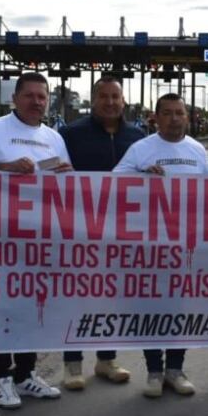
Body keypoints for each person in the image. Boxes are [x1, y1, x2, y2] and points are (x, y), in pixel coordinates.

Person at [0, 72, 72, 409]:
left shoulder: (54, 137)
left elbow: (64, 182)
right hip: (0, 237)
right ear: (15, 98)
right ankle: (1, 379)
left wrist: (66, 176)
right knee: (2, 308)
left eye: (42, 96)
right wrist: (6, 168)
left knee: (31, 308)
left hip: (39, 239)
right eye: (30, 95)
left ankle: (26, 374)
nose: (37, 101)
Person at [113, 92, 207, 398]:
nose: (174, 118)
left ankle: (175, 370)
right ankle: (154, 371)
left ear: (187, 116)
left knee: (179, 309)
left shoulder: (196, 150)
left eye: (179, 113)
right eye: (167, 113)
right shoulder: (140, 148)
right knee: (151, 309)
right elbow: (113, 183)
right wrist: (141, 177)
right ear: (156, 117)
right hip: (149, 245)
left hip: (185, 245)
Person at [57, 76, 143, 391]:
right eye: (103, 96)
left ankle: (106, 359)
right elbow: (54, 174)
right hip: (80, 229)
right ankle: (72, 363)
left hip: (121, 231)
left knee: (112, 296)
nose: (110, 102)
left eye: (115, 97)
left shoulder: (137, 136)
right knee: (77, 295)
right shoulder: (71, 134)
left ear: (123, 100)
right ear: (94, 100)